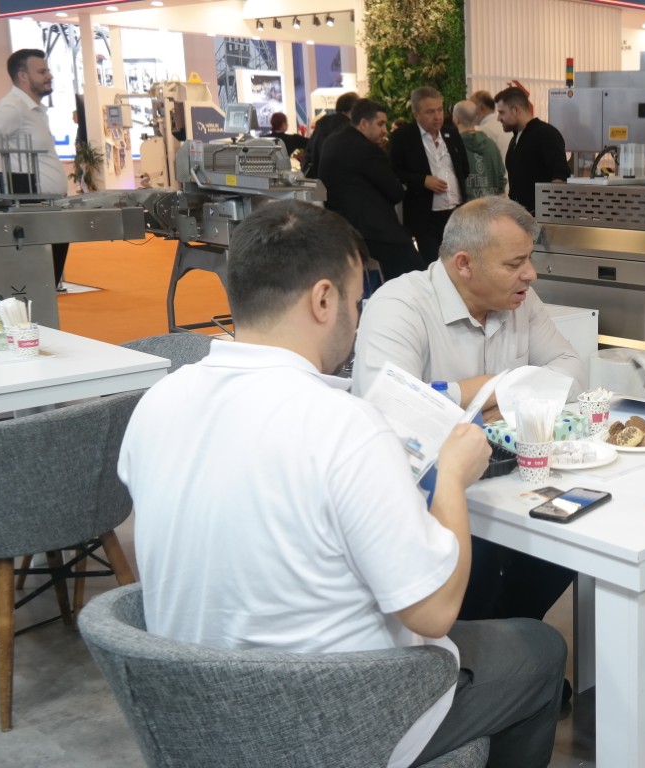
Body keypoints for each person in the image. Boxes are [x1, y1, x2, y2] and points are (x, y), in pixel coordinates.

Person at [119, 200, 566, 768]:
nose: (357, 322)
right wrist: (452, 476)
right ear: (324, 300)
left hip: (193, 713)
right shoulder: (344, 426)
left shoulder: (157, 403)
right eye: (357, 303)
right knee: (537, 649)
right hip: (339, 716)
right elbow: (433, 613)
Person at [353, 196, 585, 627]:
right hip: (431, 500)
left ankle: (505, 642)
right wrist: (482, 391)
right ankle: (485, 647)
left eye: (529, 258)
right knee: (478, 578)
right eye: (515, 263)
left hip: (513, 482)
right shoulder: (400, 305)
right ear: (464, 264)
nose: (531, 274)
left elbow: (571, 370)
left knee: (572, 540)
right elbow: (387, 414)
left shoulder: (521, 300)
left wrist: (491, 399)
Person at [0, 49, 70, 287]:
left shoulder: (33, 110)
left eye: (48, 70)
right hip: (32, 207)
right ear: (23, 76)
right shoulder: (14, 107)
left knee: (47, 283)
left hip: (49, 206)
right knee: (36, 284)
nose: (49, 76)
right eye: (42, 71)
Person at [320, 98, 424, 286]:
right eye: (380, 124)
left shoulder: (333, 141)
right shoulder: (366, 149)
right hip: (375, 231)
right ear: (363, 123)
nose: (384, 130)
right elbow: (395, 193)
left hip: (344, 227)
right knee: (418, 280)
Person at [389, 86, 470, 262]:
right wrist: (422, 180)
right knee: (433, 263)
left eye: (440, 110)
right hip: (426, 217)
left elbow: (464, 168)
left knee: (459, 260)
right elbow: (395, 171)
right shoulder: (403, 137)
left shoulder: (451, 133)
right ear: (416, 114)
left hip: (456, 212)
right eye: (430, 112)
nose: (437, 116)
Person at [496, 87, 570, 214]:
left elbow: (560, 177)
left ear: (516, 110)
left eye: (502, 112)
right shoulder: (516, 139)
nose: (498, 118)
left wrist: (546, 214)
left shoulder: (546, 134)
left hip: (541, 219)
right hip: (521, 217)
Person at [453, 99, 506, 200]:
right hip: (492, 205)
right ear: (476, 117)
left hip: (467, 206)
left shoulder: (454, 147)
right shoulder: (491, 144)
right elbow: (501, 179)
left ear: (457, 120)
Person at [302, 90, 358, 178]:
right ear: (353, 109)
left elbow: (309, 151)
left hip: (317, 178)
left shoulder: (321, 124)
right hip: (340, 179)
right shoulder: (348, 127)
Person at [471, 89, 512, 163]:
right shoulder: (507, 127)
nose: (470, 112)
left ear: (481, 108)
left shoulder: (482, 131)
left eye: (471, 108)